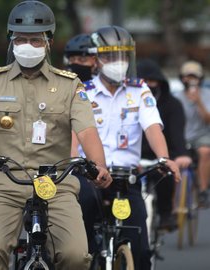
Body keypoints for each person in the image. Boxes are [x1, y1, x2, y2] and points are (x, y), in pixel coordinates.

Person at [0, 1, 112, 269]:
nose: (27, 45)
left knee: (76, 256)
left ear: (48, 42)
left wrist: (98, 165)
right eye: (21, 39)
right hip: (3, 183)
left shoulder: (69, 84)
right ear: (11, 41)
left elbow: (87, 130)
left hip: (56, 184)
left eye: (35, 39)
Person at [74, 26, 181, 270]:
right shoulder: (82, 92)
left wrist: (164, 158)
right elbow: (74, 136)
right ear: (96, 59)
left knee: (142, 251)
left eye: (122, 56)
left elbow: (152, 127)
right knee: (82, 249)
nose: (117, 62)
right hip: (90, 177)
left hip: (126, 178)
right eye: (110, 56)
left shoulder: (139, 89)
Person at [138, 59, 192, 229]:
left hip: (163, 153)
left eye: (152, 81)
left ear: (160, 82)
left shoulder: (173, 104)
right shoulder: (129, 101)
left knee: (165, 174)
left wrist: (181, 154)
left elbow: (177, 133)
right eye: (144, 81)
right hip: (134, 157)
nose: (149, 85)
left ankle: (165, 213)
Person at [175, 60, 210, 206]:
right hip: (182, 136)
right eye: (187, 76)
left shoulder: (207, 94)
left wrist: (198, 102)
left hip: (202, 135)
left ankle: (202, 190)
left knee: (205, 151)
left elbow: (208, 120)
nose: (190, 80)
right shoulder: (176, 96)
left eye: (193, 76)